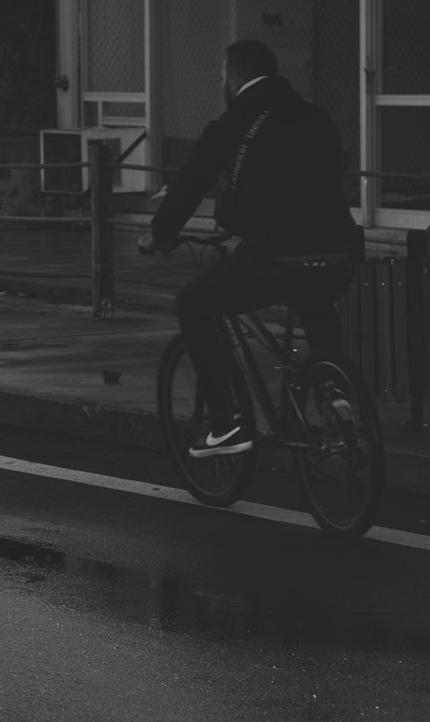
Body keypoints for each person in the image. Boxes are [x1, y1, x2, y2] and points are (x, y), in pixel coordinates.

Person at [139, 40, 362, 458]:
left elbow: (191, 183)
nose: (221, 84)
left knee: (194, 303)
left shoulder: (232, 124)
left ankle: (227, 424)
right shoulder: (317, 116)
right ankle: (335, 391)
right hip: (338, 254)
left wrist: (159, 234)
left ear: (236, 79)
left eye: (223, 78)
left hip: (276, 256)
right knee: (315, 297)